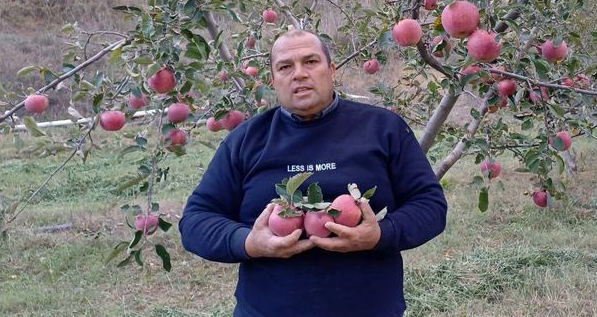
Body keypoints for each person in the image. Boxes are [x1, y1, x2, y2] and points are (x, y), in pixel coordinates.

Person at [179, 29, 448, 317]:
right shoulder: (246, 140)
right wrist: (249, 243)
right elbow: (196, 221)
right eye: (285, 66)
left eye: (310, 62)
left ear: (331, 71)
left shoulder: (384, 129)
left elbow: (430, 206)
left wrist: (381, 234)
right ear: (273, 80)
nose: (299, 74)